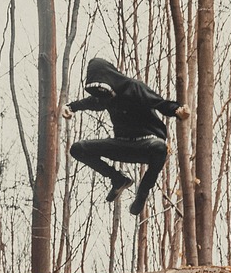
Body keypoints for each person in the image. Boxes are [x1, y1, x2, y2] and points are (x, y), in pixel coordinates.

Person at [62, 57, 191, 216]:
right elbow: (90, 102)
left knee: (160, 148)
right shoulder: (103, 97)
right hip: (122, 145)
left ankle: (142, 193)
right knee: (77, 149)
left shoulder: (134, 87)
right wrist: (71, 107)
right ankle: (118, 179)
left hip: (147, 143)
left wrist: (177, 110)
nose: (105, 99)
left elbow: (159, 103)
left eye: (104, 93)